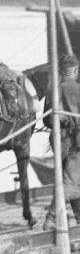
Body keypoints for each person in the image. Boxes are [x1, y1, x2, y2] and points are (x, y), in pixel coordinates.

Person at [43, 54, 80, 230]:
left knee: (73, 179)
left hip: (58, 142)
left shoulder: (52, 91)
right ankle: (50, 219)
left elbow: (46, 121)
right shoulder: (78, 89)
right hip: (75, 142)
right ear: (75, 70)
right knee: (70, 181)